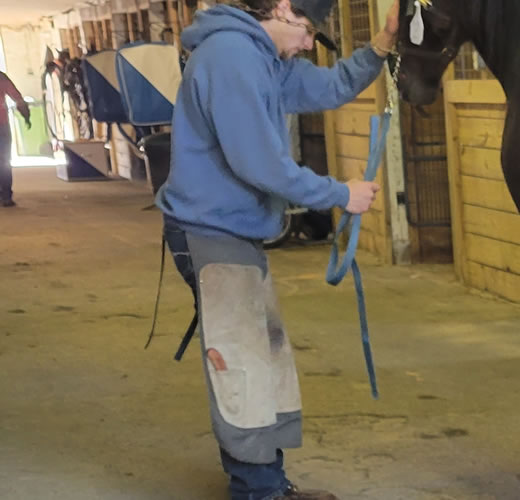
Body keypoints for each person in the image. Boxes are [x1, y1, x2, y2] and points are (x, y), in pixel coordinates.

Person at [153, 0, 399, 498]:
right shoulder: (231, 58)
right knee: (242, 364)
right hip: (210, 231)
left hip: (232, 229)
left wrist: (381, 46)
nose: (308, 45)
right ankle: (257, 492)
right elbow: (261, 165)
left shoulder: (263, 59)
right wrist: (339, 195)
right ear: (283, 8)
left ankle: (267, 484)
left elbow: (330, 87)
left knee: (260, 360)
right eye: (307, 31)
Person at [0, 69, 31, 208]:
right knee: (4, 161)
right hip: (2, 126)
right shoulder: (1, 77)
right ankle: (6, 196)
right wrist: (26, 116)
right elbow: (17, 97)